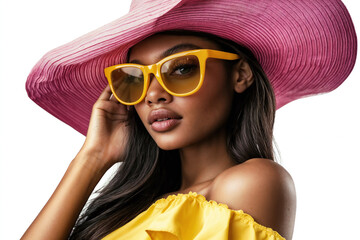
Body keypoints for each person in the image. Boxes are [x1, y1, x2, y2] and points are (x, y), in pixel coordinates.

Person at [21, 0, 357, 239]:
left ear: (240, 75)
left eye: (181, 68)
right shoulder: (134, 205)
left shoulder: (251, 183)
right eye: (135, 78)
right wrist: (92, 157)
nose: (153, 94)